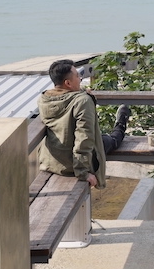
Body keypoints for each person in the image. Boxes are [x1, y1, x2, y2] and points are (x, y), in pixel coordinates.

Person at [37, 59, 129, 188]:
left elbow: (67, 106)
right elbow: (84, 137)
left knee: (104, 139)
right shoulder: (82, 101)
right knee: (111, 141)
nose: (80, 78)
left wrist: (83, 96)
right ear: (68, 83)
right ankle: (121, 123)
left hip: (52, 161)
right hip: (72, 165)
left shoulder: (44, 99)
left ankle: (120, 123)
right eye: (77, 76)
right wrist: (82, 172)